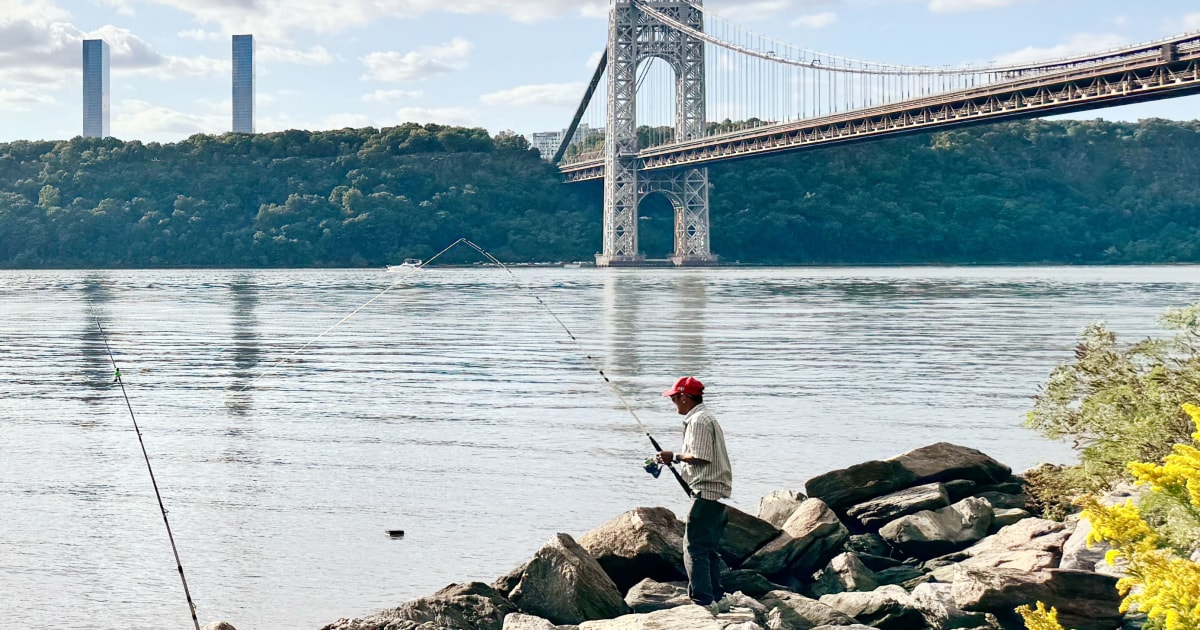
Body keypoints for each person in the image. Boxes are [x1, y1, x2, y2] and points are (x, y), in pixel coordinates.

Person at [655, 376, 732, 613]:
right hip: (714, 492)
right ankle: (718, 599)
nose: (673, 403)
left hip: (707, 492)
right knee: (707, 548)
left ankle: (703, 602)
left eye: (675, 398)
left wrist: (674, 456)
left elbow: (701, 456)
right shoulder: (704, 417)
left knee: (693, 547)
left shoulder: (698, 421)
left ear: (685, 398)